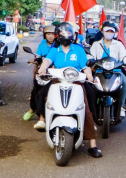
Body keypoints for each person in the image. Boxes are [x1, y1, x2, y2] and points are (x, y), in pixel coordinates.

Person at [36, 22, 102, 158]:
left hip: (76, 81)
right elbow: (47, 61)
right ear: (58, 35)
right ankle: (43, 119)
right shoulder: (55, 49)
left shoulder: (78, 49)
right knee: (42, 92)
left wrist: (89, 75)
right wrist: (42, 68)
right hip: (58, 80)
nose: (66, 36)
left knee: (87, 106)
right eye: (63, 34)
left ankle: (92, 144)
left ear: (73, 35)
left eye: (68, 33)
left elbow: (85, 66)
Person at [89, 21, 126, 117]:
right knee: (89, 85)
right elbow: (90, 56)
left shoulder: (118, 44)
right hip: (99, 71)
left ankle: (121, 106)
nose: (109, 33)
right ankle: (90, 108)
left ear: (114, 33)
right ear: (102, 31)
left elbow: (124, 56)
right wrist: (91, 62)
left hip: (116, 71)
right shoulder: (96, 44)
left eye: (111, 31)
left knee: (125, 82)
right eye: (107, 30)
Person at [23, 25, 57, 121]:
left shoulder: (58, 45)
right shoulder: (42, 44)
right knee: (35, 91)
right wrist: (35, 61)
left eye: (53, 34)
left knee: (44, 92)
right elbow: (38, 56)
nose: (50, 36)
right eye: (48, 34)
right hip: (43, 71)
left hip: (55, 72)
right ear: (44, 35)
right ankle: (32, 109)